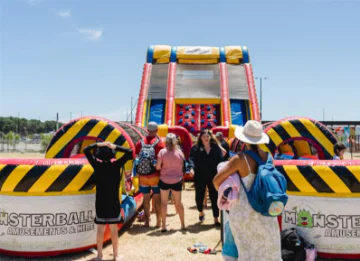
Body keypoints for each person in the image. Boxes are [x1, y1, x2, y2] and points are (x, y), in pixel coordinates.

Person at [213, 120, 282, 261]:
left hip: (244, 211)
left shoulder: (239, 159)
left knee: (248, 251)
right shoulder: (269, 157)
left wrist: (226, 194)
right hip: (265, 208)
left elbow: (216, 181)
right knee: (268, 250)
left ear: (243, 138)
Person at [84, 141, 133, 261]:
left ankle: (99, 256)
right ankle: (116, 256)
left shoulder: (96, 165)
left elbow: (86, 150)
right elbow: (130, 151)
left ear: (99, 155)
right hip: (113, 202)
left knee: (100, 230)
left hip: (100, 201)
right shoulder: (117, 165)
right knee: (113, 230)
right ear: (112, 154)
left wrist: (98, 144)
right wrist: (115, 146)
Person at [188, 129, 226, 226]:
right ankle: (201, 211)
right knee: (199, 196)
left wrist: (218, 145)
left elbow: (222, 158)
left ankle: (216, 218)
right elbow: (191, 159)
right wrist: (191, 168)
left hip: (213, 176)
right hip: (200, 175)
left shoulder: (215, 147)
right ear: (200, 137)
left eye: (207, 136)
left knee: (214, 196)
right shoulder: (196, 148)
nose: (205, 138)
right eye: (204, 136)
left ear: (210, 137)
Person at [135, 122, 165, 227]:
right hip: (155, 175)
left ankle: (147, 221)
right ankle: (158, 222)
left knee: (146, 199)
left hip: (143, 175)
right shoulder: (159, 143)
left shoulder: (140, 142)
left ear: (147, 130)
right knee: (157, 199)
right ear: (156, 130)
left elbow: (136, 157)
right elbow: (162, 159)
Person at [156, 133, 185, 232]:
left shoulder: (162, 152)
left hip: (164, 180)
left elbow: (158, 167)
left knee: (164, 203)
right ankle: (182, 224)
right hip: (177, 180)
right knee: (178, 203)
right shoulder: (180, 152)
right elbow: (182, 166)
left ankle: (163, 226)